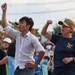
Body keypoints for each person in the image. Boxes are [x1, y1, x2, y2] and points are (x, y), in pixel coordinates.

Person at [1, 3, 45, 75]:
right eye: (19, 23)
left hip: (27, 69)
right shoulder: (17, 34)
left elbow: (42, 51)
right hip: (17, 68)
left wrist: (35, 65)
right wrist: (4, 11)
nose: (19, 25)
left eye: (21, 23)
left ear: (28, 26)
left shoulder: (33, 38)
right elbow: (4, 26)